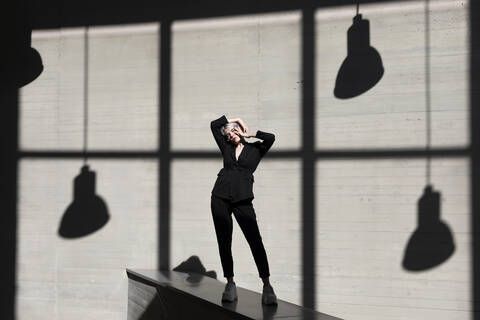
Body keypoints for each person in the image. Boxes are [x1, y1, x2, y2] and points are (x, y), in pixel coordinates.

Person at [210, 114, 278, 305]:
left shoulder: (256, 149)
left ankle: (267, 285)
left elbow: (271, 137)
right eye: (228, 134)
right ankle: (230, 284)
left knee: (255, 241)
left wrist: (247, 131)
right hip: (220, 197)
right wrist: (231, 120)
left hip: (243, 199)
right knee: (224, 241)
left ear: (239, 130)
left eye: (233, 131)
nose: (230, 135)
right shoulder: (226, 147)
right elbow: (214, 125)